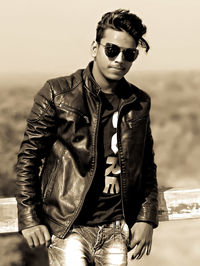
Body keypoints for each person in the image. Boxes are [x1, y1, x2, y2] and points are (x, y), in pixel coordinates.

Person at [16, 9, 158, 266]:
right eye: (112, 50)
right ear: (95, 47)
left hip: (116, 228)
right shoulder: (57, 93)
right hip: (68, 226)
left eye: (129, 54)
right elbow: (29, 158)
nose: (120, 59)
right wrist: (29, 218)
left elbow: (145, 164)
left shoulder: (139, 102)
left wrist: (146, 218)